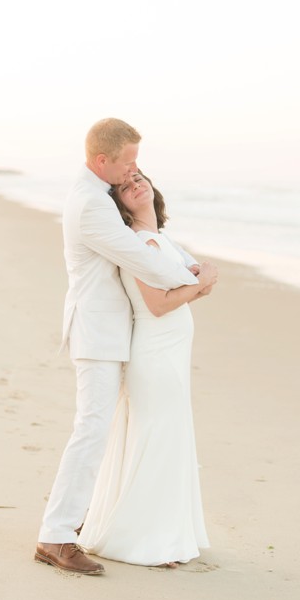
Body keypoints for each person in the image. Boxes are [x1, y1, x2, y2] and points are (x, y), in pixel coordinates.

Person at [35, 118, 217, 575]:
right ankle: (56, 536)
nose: (135, 170)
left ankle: (75, 525)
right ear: (103, 161)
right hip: (98, 334)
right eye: (129, 162)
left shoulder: (98, 197)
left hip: (114, 334)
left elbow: (155, 244)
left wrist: (189, 270)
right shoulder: (92, 206)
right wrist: (196, 282)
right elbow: (140, 256)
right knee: (92, 429)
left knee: (103, 429)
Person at [78, 170, 213, 567]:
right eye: (125, 186)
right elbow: (158, 303)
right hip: (156, 352)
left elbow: (191, 287)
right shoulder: (139, 243)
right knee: (157, 438)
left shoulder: (162, 240)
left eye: (139, 178)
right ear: (119, 204)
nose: (135, 184)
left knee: (167, 437)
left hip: (170, 350)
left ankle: (164, 534)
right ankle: (146, 540)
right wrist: (203, 281)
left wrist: (201, 282)